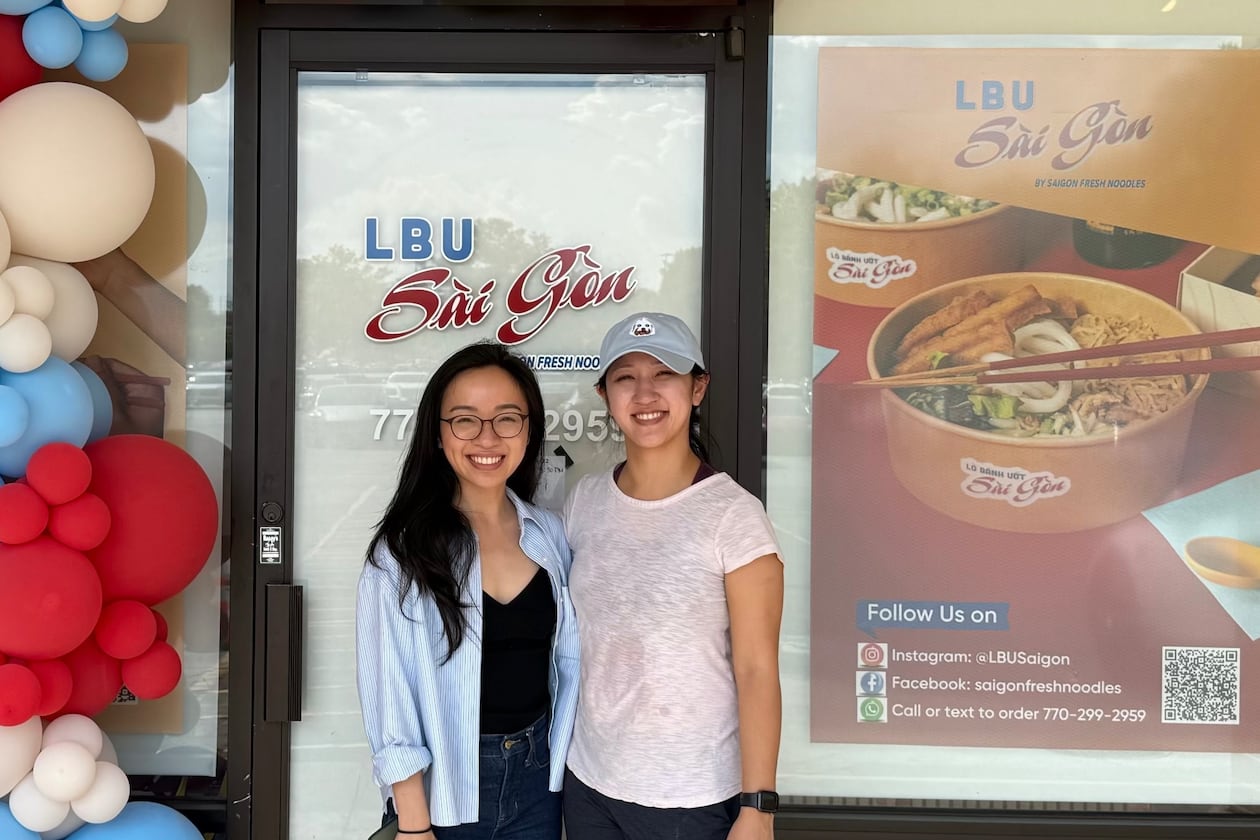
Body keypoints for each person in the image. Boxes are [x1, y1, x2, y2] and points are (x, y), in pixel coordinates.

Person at [562, 312, 784, 840]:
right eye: (625, 377)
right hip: (590, 781)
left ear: (697, 387)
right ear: (604, 393)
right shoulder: (584, 503)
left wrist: (758, 809)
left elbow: (757, 669)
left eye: (664, 373)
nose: (645, 393)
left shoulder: (733, 516)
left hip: (690, 795)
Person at [356, 342, 580, 840]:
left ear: (528, 430)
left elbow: (566, 667)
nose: (487, 437)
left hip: (540, 781)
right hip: (444, 789)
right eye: (464, 419)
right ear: (438, 435)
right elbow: (389, 698)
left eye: (506, 418)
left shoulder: (550, 535)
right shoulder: (400, 553)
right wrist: (414, 825)